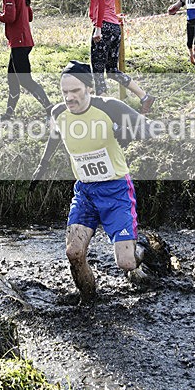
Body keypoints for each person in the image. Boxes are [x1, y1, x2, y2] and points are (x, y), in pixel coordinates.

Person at [31, 61, 158, 303]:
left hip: (116, 189)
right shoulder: (59, 113)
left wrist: (125, 131)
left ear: (89, 88)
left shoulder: (110, 107)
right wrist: (43, 165)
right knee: (74, 252)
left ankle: (143, 249)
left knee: (126, 263)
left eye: (75, 91)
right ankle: (89, 302)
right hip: (85, 192)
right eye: (65, 92)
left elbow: (149, 130)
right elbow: (55, 135)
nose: (69, 97)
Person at [79, 0, 155, 114]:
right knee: (112, 71)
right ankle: (145, 97)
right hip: (114, 27)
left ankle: (104, 113)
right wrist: (115, 15)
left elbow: (101, 3)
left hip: (103, 28)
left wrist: (98, 28)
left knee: (98, 73)